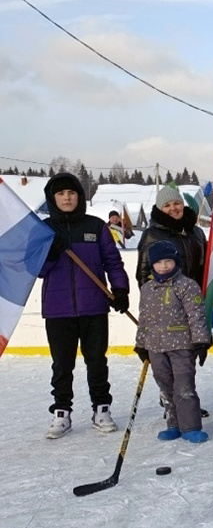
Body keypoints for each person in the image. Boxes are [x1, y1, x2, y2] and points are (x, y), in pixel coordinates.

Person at [38, 172, 130, 439]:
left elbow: (113, 261)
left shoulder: (96, 226)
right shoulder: (44, 230)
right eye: (61, 194)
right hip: (58, 309)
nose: (67, 198)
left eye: (71, 193)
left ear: (79, 196)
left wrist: (120, 289)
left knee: (96, 361)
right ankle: (61, 412)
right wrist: (52, 254)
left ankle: (101, 409)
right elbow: (37, 270)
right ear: (52, 198)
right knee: (62, 364)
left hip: (94, 307)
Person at [133, 241, 212, 443]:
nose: (164, 266)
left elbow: (196, 315)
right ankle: (173, 424)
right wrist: (141, 343)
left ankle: (191, 426)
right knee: (165, 387)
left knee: (184, 387)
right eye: (159, 262)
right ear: (152, 265)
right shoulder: (148, 288)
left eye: (169, 261)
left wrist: (201, 342)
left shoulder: (186, 285)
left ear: (176, 262)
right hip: (155, 347)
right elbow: (145, 318)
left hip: (181, 346)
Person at [135, 184, 206, 286]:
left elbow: (206, 264)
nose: (173, 208)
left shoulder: (197, 232)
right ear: (160, 209)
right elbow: (143, 274)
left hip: (197, 296)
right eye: (167, 205)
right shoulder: (151, 235)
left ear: (182, 204)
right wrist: (153, 297)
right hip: (167, 299)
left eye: (177, 203)